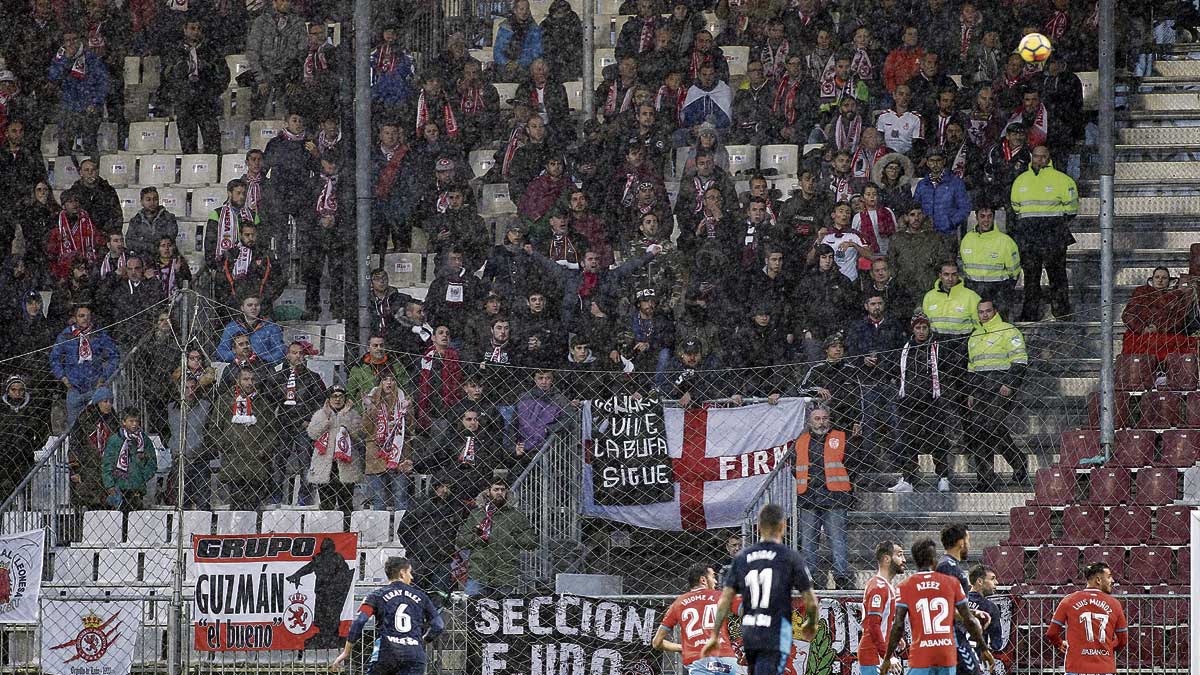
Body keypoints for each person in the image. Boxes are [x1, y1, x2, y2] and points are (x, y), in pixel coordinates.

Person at [701, 503, 818, 674]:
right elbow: (811, 601)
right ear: (783, 526)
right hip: (776, 628)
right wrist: (812, 623)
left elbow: (725, 600)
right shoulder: (789, 557)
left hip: (751, 629)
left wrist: (714, 634)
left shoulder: (742, 558)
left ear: (759, 526)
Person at [881, 538, 994, 675]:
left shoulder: (905, 587)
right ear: (935, 560)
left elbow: (898, 625)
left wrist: (887, 657)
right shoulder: (951, 583)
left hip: (921, 654)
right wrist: (983, 648)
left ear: (915, 561)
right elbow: (968, 619)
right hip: (946, 653)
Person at [329, 557, 444, 675]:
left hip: (387, 652)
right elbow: (438, 625)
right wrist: (421, 641)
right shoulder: (421, 597)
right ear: (402, 573)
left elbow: (360, 621)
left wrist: (346, 652)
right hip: (414, 655)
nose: (412, 577)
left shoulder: (376, 596)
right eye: (410, 572)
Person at [1010, 144, 1079, 321]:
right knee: (1031, 277)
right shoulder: (1021, 180)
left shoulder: (1062, 180)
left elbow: (1071, 209)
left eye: (1043, 156)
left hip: (1053, 232)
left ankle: (1062, 312)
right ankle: (1030, 314)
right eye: (1036, 156)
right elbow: (1016, 206)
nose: (1039, 160)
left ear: (1049, 158)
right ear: (1031, 157)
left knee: (1057, 275)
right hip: (1029, 234)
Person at [966, 298, 1028, 489]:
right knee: (978, 431)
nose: (984, 315)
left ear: (995, 311)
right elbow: (972, 366)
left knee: (992, 426)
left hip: (1000, 386)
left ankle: (1017, 462)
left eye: (988, 311)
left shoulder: (1009, 331)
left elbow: (1020, 359)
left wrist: (1010, 383)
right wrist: (971, 392)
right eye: (981, 312)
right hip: (980, 387)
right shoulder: (974, 336)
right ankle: (985, 478)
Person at [792, 406, 854, 590]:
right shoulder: (800, 441)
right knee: (808, 542)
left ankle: (841, 578)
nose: (821, 422)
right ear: (810, 422)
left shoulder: (841, 438)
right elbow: (795, 467)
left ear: (830, 419)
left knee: (837, 540)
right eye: (817, 418)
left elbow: (852, 463)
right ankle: (809, 579)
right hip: (808, 496)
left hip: (835, 496)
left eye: (824, 418)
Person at [453, 479, 537, 597]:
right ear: (488, 492)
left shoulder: (516, 516)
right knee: (472, 609)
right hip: (479, 573)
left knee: (502, 612)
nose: (499, 493)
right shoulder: (477, 514)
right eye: (496, 489)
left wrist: (510, 538)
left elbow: (531, 541)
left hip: (505, 574)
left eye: (502, 490)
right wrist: (476, 537)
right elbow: (461, 541)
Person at [653, 563, 737, 674]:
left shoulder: (678, 603)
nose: (716, 581)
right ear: (703, 580)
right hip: (727, 659)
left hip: (699, 661)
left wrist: (681, 647)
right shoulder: (722, 597)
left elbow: (656, 642)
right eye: (713, 577)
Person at [1046, 562, 1128, 675]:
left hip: (1076, 667)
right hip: (1104, 668)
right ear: (1098, 580)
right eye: (1109, 577)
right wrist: (1107, 648)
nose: (1112, 580)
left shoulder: (1069, 600)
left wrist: (1059, 643)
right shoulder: (1115, 604)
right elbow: (1123, 640)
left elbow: (1051, 633)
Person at [394, 477, 467, 604]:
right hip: (418, 560)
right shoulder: (420, 504)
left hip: (442, 561)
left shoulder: (456, 507)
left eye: (448, 487)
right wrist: (414, 550)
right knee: (414, 599)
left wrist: (449, 551)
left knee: (439, 599)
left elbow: (461, 532)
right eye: (441, 486)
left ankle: (434, 621)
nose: (444, 490)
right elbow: (404, 530)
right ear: (434, 487)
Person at [50, 304, 119, 427]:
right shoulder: (66, 336)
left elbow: (114, 356)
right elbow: (54, 358)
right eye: (81, 316)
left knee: (99, 424)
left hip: (95, 388)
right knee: (74, 427)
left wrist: (104, 377)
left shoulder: (99, 334)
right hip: (74, 389)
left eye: (88, 316)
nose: (85, 319)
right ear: (75, 318)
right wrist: (63, 377)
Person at [935, 524, 990, 675]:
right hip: (951, 636)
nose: (969, 545)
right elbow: (945, 608)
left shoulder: (948, 565)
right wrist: (971, 618)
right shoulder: (948, 567)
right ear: (961, 543)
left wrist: (973, 613)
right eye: (968, 540)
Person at [306, 385, 363, 514]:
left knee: (346, 504)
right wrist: (327, 420)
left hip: (346, 464)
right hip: (326, 464)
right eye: (334, 396)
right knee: (326, 503)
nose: (337, 400)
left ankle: (346, 530)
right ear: (329, 398)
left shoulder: (353, 414)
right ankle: (327, 531)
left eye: (341, 396)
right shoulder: (320, 414)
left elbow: (357, 435)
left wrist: (343, 417)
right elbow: (312, 433)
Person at [959, 205, 1020, 320]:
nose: (986, 220)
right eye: (982, 216)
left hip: (998, 290)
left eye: (989, 216)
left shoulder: (1005, 241)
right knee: (975, 323)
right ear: (976, 217)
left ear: (994, 218)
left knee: (1000, 324)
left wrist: (1005, 289)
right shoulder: (967, 239)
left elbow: (1015, 271)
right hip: (973, 289)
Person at [1121, 267, 1197, 358]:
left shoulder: (1176, 296)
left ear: (1169, 281)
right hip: (1142, 335)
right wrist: (1143, 329)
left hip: (1165, 336)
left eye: (1164, 278)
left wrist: (1158, 328)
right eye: (1157, 277)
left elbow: (1179, 319)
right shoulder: (1141, 292)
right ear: (1152, 279)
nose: (1160, 280)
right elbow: (1129, 315)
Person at [860, 541, 906, 675]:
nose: (903, 560)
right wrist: (888, 657)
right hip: (873, 655)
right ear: (887, 559)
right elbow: (873, 625)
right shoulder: (879, 588)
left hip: (878, 653)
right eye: (899, 555)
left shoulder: (885, 585)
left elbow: (882, 621)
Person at [101, 409, 158, 511]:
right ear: (124, 422)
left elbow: (152, 461)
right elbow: (107, 464)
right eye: (131, 421)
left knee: (135, 518)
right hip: (119, 486)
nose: (134, 424)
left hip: (137, 487)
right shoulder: (115, 440)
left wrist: (142, 476)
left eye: (137, 421)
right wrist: (109, 484)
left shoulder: (144, 440)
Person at [912, 147, 972, 237]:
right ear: (927, 163)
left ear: (944, 161)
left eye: (938, 160)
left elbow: (965, 208)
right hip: (926, 234)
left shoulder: (956, 182)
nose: (935, 164)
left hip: (948, 234)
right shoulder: (922, 184)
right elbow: (915, 206)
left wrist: (951, 222)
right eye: (931, 161)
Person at [217, 296, 286, 364]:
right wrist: (238, 357)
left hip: (264, 369)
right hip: (238, 368)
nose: (253, 308)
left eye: (256, 305)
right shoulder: (232, 327)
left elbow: (280, 351)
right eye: (249, 305)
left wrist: (261, 360)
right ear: (242, 308)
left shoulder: (271, 326)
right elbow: (221, 351)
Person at [967, 566, 1003, 653]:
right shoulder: (990, 607)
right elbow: (996, 644)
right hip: (975, 657)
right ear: (979, 581)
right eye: (992, 579)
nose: (996, 582)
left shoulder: (956, 600)